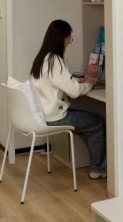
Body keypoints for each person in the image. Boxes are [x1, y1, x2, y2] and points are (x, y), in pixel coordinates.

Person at [30, 19, 107, 179]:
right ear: (61, 38)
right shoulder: (55, 60)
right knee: (97, 122)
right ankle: (98, 169)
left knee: (87, 120)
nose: (70, 42)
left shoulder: (42, 58)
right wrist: (89, 84)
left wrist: (77, 80)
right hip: (55, 118)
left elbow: (59, 81)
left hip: (43, 114)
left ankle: (94, 164)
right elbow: (74, 92)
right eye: (69, 39)